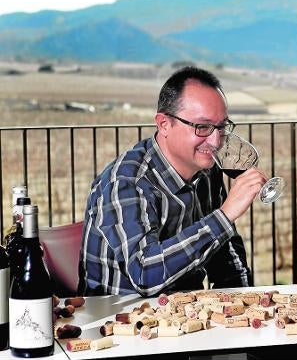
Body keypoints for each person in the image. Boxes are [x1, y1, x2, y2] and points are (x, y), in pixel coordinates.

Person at [81, 66, 265, 296]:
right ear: (164, 124)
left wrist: (247, 301)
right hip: (122, 320)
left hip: (188, 315)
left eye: (221, 127)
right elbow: (144, 274)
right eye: (203, 127)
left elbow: (224, 251)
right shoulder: (127, 182)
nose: (216, 140)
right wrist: (224, 216)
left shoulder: (207, 172)